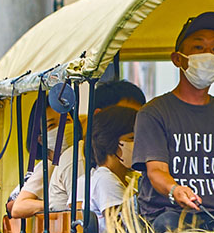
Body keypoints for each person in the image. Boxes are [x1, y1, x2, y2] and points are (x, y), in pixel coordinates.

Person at [132, 12, 214, 231]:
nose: (208, 55)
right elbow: (156, 171)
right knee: (169, 225)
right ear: (178, 59)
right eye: (198, 47)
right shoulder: (153, 113)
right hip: (173, 218)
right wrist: (175, 190)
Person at [9, 80, 146, 219]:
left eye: (67, 121)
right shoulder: (77, 159)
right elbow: (17, 207)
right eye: (125, 116)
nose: (136, 124)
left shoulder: (112, 170)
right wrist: (55, 206)